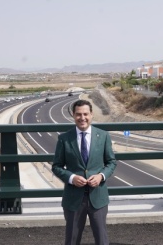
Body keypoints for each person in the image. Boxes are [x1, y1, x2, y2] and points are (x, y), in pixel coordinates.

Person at [52, 99, 117, 245]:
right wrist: (72, 177)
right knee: (72, 239)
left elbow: (111, 162)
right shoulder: (64, 139)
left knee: (102, 239)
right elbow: (56, 166)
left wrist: (101, 176)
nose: (82, 118)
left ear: (92, 114)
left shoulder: (103, 136)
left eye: (85, 114)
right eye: (78, 114)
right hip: (74, 199)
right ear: (73, 116)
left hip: (98, 197)